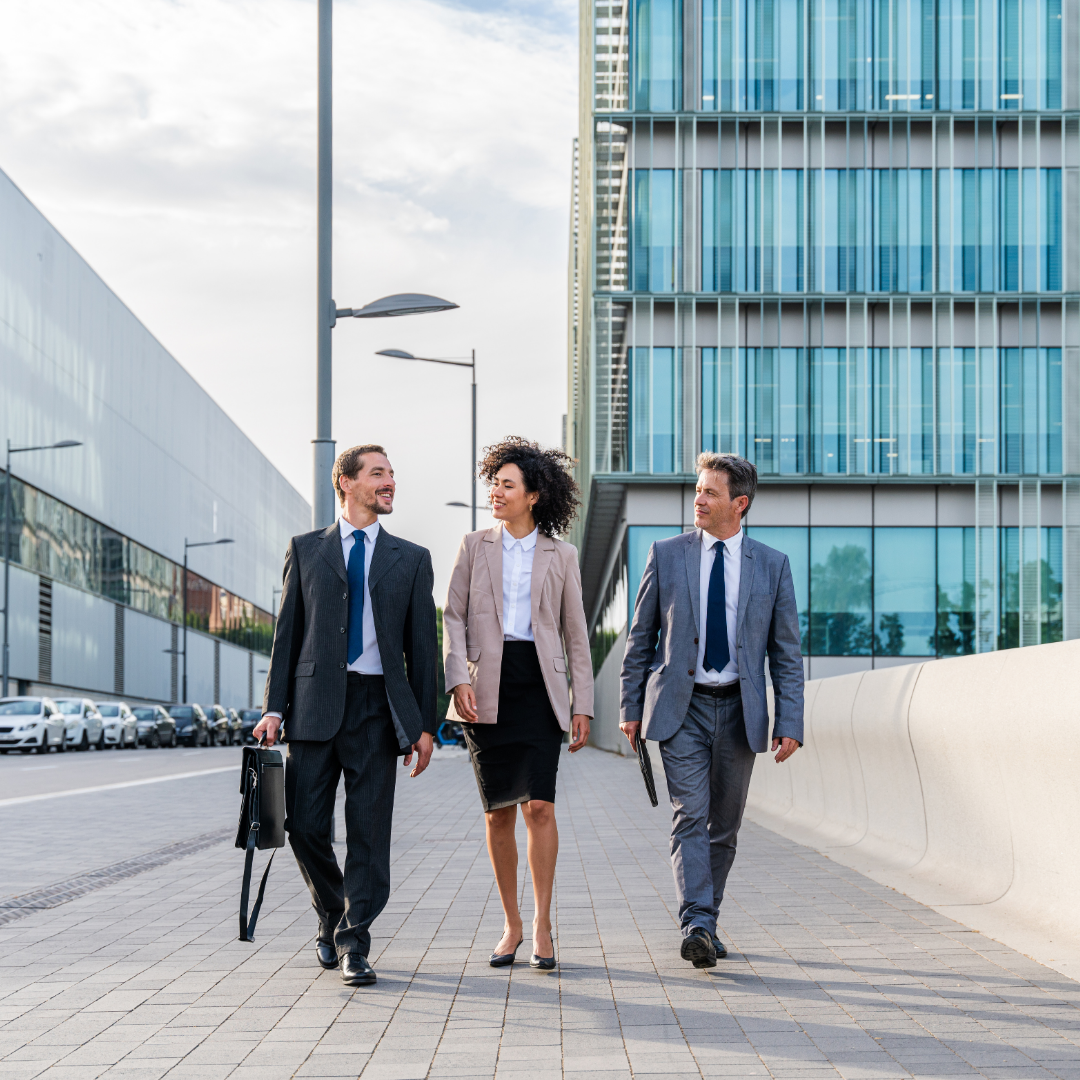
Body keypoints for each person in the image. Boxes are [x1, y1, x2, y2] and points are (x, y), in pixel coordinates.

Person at [254, 444, 437, 988]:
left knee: (369, 833)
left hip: (379, 709)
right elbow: (287, 634)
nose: (389, 481)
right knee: (304, 825)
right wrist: (273, 708)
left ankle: (355, 942)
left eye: (391, 474)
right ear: (346, 482)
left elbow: (423, 649)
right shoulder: (306, 549)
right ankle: (333, 911)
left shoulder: (411, 558)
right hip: (313, 707)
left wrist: (426, 725)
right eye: (378, 473)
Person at [619, 452, 804, 970]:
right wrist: (630, 706)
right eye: (698, 489)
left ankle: (707, 923)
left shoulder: (772, 565)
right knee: (689, 816)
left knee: (724, 827)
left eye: (710, 492)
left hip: (741, 711)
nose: (698, 499)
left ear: (739, 504)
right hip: (683, 708)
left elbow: (786, 653)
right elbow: (640, 637)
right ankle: (697, 923)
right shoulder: (666, 554)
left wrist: (790, 720)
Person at [443, 437, 593, 971]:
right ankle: (510, 924)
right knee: (498, 813)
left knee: (540, 807)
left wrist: (582, 703)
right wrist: (456, 679)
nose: (496, 492)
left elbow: (576, 633)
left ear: (533, 495)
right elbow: (453, 617)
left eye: (507, 485)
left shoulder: (562, 555)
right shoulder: (473, 545)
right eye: (494, 484)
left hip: (540, 687)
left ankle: (542, 924)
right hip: (485, 689)